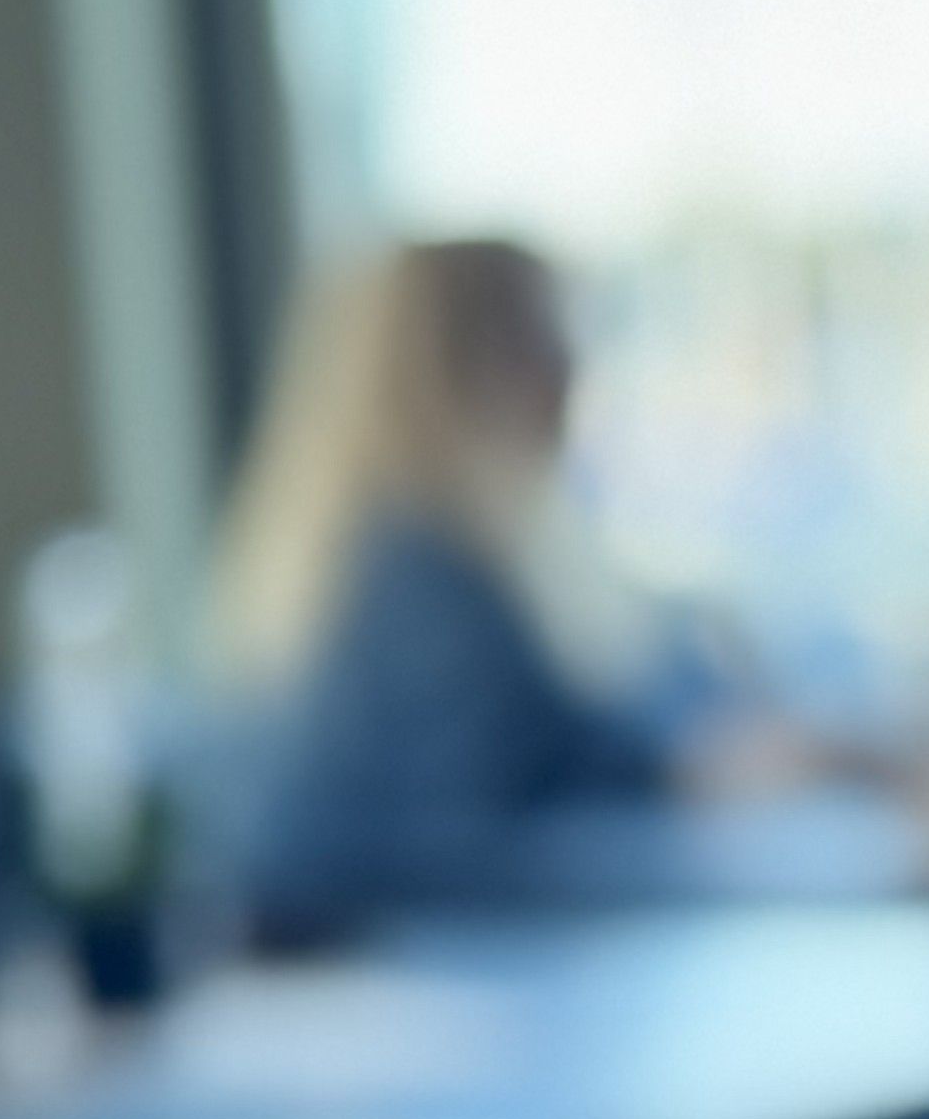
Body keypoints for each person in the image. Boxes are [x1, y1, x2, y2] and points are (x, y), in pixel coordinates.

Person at [208, 238, 670, 945]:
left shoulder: (442, 554)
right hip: (390, 977)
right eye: (543, 340)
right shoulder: (413, 580)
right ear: (458, 369)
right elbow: (460, 848)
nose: (574, 372)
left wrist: (677, 769)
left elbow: (545, 759)